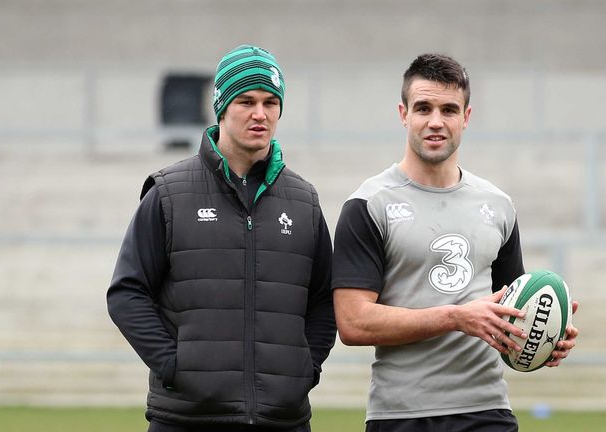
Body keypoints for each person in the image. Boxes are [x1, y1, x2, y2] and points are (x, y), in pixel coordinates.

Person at [331, 53, 579, 431]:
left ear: (466, 117)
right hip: (400, 415)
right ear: (403, 114)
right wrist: (456, 317)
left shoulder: (498, 206)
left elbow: (507, 318)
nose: (435, 122)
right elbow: (353, 323)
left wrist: (543, 338)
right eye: (423, 108)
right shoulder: (368, 204)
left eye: (449, 109)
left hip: (486, 411)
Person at [107, 45, 336, 432]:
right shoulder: (168, 192)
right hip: (186, 418)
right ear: (222, 106)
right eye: (246, 101)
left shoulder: (304, 201)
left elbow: (325, 300)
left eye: (270, 102)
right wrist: (174, 366)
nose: (260, 113)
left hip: (283, 420)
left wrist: (304, 369)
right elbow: (127, 293)